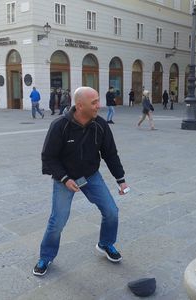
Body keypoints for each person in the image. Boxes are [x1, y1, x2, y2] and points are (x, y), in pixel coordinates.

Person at [33, 86, 129, 277]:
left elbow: (110, 154)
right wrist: (64, 178)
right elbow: (48, 158)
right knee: (58, 221)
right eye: (94, 102)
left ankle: (105, 243)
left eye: (98, 100)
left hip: (91, 176)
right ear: (79, 105)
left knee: (111, 211)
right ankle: (46, 256)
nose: (98, 105)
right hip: (65, 179)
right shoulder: (60, 126)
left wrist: (121, 180)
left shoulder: (100, 125)